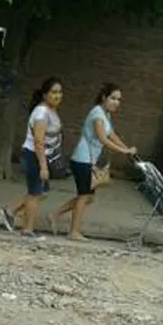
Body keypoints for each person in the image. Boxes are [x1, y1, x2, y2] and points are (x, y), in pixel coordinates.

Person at [49, 83, 136, 241]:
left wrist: (127, 148)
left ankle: (55, 214)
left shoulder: (106, 114)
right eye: (113, 98)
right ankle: (74, 232)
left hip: (88, 161)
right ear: (104, 97)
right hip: (82, 159)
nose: (116, 102)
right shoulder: (97, 114)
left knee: (89, 197)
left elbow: (112, 135)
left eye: (119, 99)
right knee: (84, 196)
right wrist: (123, 151)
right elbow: (103, 138)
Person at [1, 77, 64, 241]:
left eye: (60, 92)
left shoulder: (51, 111)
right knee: (35, 193)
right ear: (45, 95)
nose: (57, 96)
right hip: (34, 155)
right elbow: (38, 140)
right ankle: (27, 230)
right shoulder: (42, 112)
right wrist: (43, 166)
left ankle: (11, 209)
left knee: (41, 192)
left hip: (44, 156)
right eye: (54, 92)